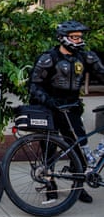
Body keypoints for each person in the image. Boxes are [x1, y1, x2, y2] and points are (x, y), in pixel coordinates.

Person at [29, 20, 104, 204]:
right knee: (49, 149)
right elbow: (34, 85)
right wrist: (49, 101)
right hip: (51, 109)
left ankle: (77, 186)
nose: (78, 40)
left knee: (79, 147)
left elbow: (102, 73)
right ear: (63, 38)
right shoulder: (49, 58)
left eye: (80, 37)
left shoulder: (85, 57)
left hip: (72, 108)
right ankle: (50, 185)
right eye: (74, 37)